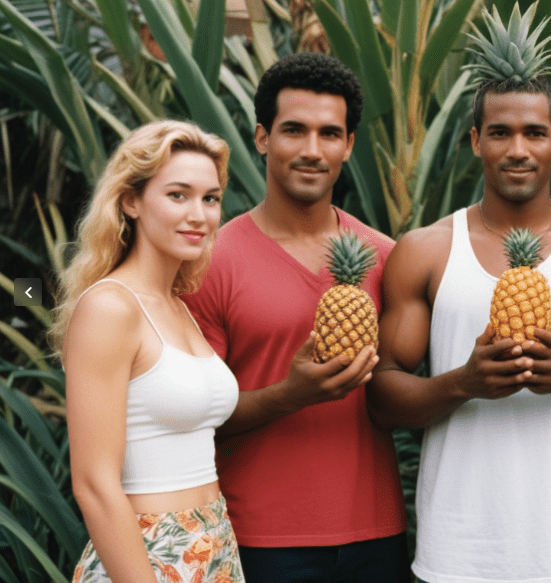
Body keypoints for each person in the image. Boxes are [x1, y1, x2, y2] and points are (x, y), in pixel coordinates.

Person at [367, 45, 551, 583]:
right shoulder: (425, 250)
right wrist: (461, 383)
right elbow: (382, 395)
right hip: (460, 555)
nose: (517, 149)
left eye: (534, 133)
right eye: (500, 132)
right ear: (476, 141)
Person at [181, 53, 408, 582]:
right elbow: (191, 418)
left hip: (377, 535)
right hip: (258, 537)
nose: (312, 150)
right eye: (293, 130)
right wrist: (290, 393)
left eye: (330, 133)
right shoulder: (209, 263)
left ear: (348, 145)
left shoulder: (386, 258)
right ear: (261, 138)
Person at [51, 120, 244, 582]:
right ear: (131, 200)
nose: (198, 214)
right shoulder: (110, 307)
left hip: (212, 544)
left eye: (210, 198)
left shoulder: (176, 306)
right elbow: (95, 485)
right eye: (178, 195)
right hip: (149, 553)